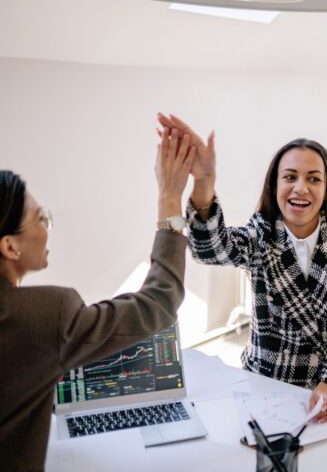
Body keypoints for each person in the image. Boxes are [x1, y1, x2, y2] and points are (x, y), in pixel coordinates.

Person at [157, 114, 327, 423]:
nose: (300, 188)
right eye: (290, 177)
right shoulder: (260, 235)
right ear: (275, 185)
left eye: (313, 178)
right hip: (267, 387)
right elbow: (210, 249)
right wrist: (204, 182)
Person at [0, 128, 196, 471]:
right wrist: (169, 198)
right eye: (41, 218)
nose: (48, 226)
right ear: (10, 246)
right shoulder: (46, 315)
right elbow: (159, 301)